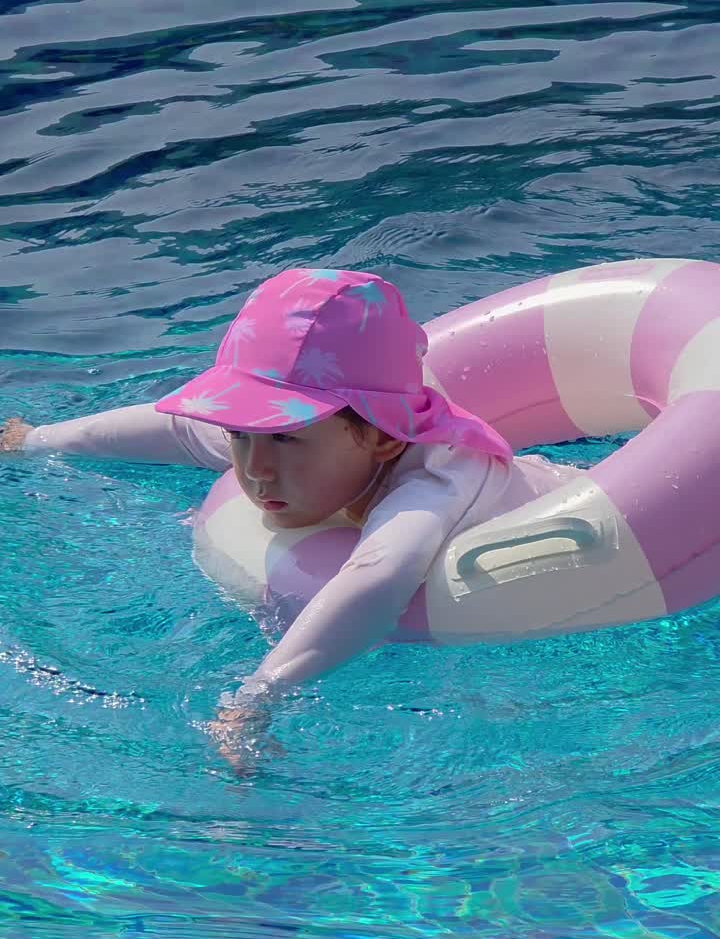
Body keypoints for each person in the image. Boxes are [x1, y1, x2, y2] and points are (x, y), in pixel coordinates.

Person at [1, 268, 581, 760]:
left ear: (382, 438)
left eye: (282, 439)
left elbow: (377, 580)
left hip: (580, 557)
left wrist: (258, 696)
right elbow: (179, 431)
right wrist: (37, 440)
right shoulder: (303, 437)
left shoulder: (434, 481)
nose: (254, 470)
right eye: (240, 435)